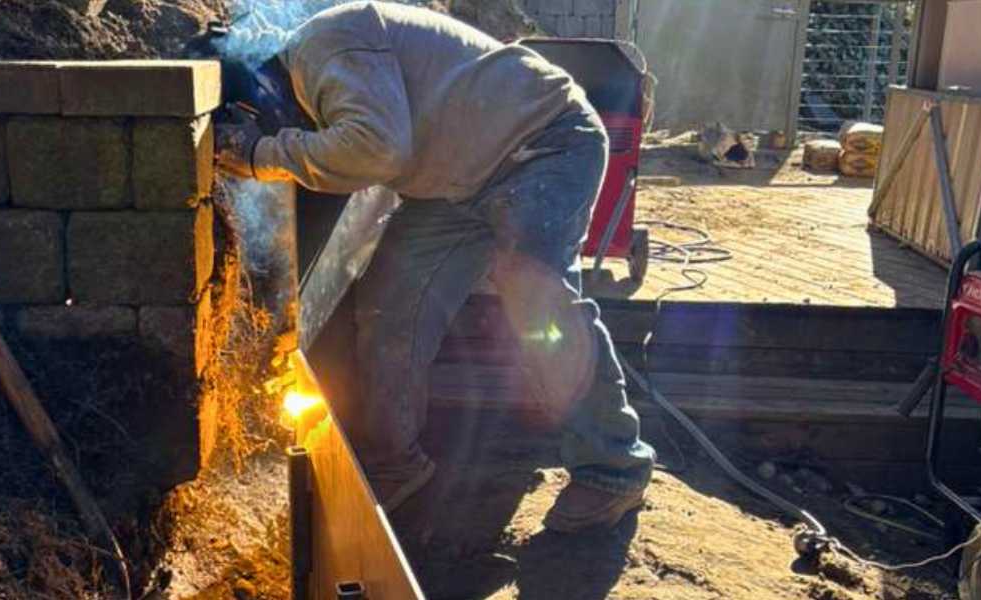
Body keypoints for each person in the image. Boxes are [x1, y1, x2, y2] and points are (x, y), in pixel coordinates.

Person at [215, 1, 654, 532]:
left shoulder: (325, 44)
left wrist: (263, 153)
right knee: (391, 307)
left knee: (535, 294)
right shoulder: (316, 65)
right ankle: (392, 462)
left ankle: (614, 469)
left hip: (545, 142)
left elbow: (378, 151)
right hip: (455, 182)